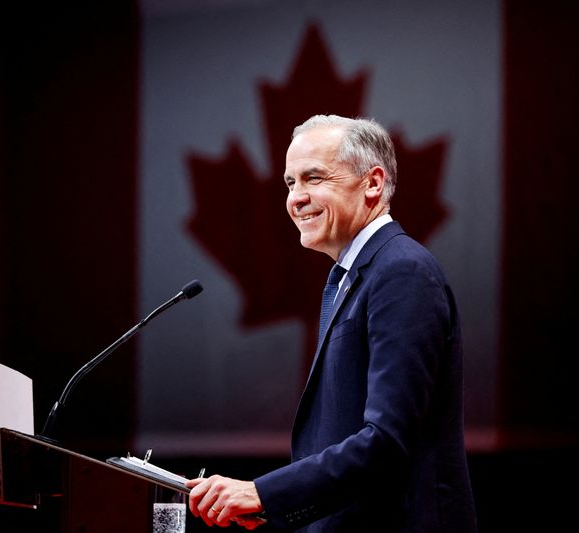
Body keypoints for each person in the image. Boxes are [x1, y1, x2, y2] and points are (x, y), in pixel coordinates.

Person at [186, 115, 477, 532]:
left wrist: (264, 492)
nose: (297, 198)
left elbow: (386, 441)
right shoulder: (348, 276)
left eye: (314, 178)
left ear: (373, 183)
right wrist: (274, 507)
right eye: (290, 183)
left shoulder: (402, 271)